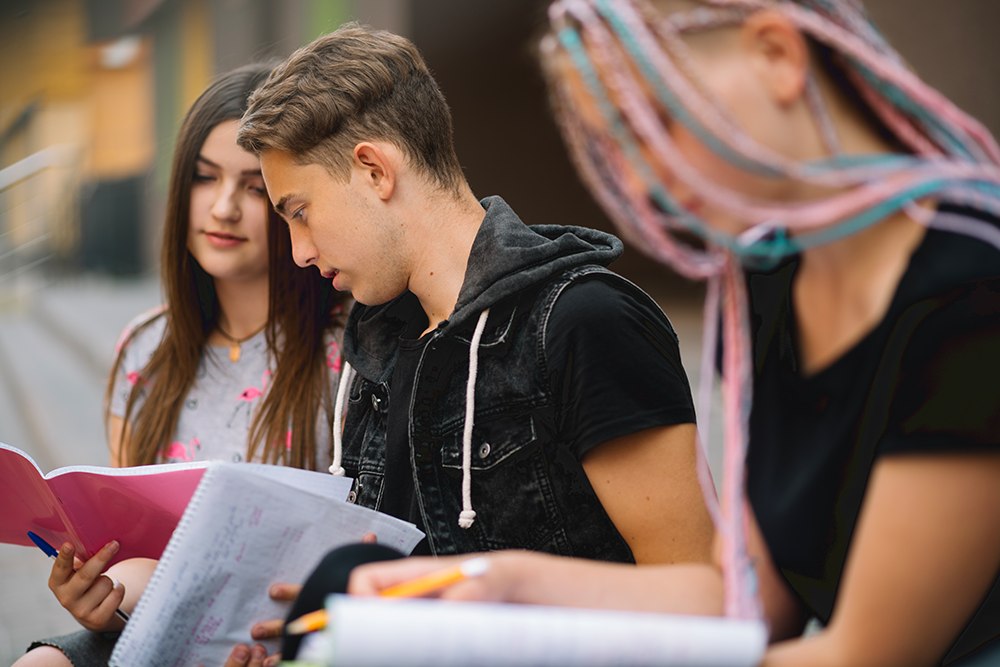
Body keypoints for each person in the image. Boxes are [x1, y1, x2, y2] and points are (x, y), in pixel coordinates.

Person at [345, 1, 1000, 666]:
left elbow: (865, 653)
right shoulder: (768, 280)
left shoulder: (971, 288)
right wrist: (496, 584)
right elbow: (748, 604)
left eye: (654, 122)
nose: (636, 178)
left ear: (777, 54)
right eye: (611, 146)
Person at [229, 20, 717, 665]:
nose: (299, 251)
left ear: (374, 170)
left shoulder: (584, 321)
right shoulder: (378, 341)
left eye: (299, 212)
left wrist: (499, 597)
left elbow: (701, 598)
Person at [15, 62, 349, 667]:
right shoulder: (144, 349)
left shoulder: (346, 353)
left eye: (252, 187)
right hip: (159, 625)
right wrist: (100, 596)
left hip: (285, 639)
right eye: (203, 177)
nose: (222, 207)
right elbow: (127, 554)